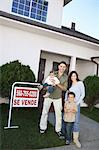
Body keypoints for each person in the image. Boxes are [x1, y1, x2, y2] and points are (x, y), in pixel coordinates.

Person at [39, 61, 68, 139]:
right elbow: (46, 82)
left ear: (65, 68)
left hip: (58, 97)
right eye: (61, 66)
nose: (62, 68)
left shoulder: (65, 77)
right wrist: (46, 87)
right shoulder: (52, 73)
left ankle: (58, 130)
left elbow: (65, 88)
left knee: (58, 115)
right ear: (58, 66)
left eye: (64, 67)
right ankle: (42, 128)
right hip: (48, 96)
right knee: (44, 112)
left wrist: (57, 84)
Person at [65, 71, 85, 148]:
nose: (73, 77)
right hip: (69, 105)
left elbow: (83, 94)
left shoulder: (80, 83)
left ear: (76, 76)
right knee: (68, 121)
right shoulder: (70, 86)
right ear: (70, 77)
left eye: (74, 75)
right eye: (72, 76)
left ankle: (75, 139)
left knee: (76, 121)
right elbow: (67, 95)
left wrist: (76, 104)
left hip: (76, 105)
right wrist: (66, 103)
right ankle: (68, 137)